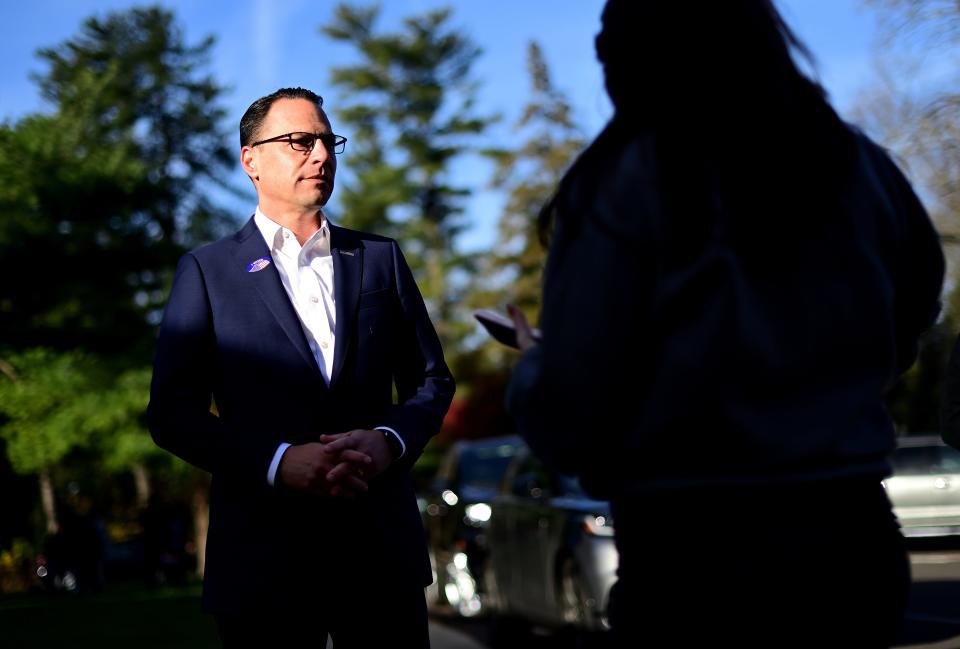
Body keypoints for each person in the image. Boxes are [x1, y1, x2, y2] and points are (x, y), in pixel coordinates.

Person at [505, 1, 944, 647]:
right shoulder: (852, 163)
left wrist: (535, 365)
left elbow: (576, 406)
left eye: (613, 33)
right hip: (852, 539)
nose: (601, 52)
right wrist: (833, 381)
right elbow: (916, 303)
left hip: (694, 556)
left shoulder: (629, 180)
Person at [148, 87, 454, 648]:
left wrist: (390, 439)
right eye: (300, 141)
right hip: (264, 559)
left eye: (328, 141)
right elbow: (171, 413)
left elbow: (431, 380)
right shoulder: (207, 271)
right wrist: (278, 461)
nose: (321, 155)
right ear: (252, 161)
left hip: (379, 552)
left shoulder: (380, 257)